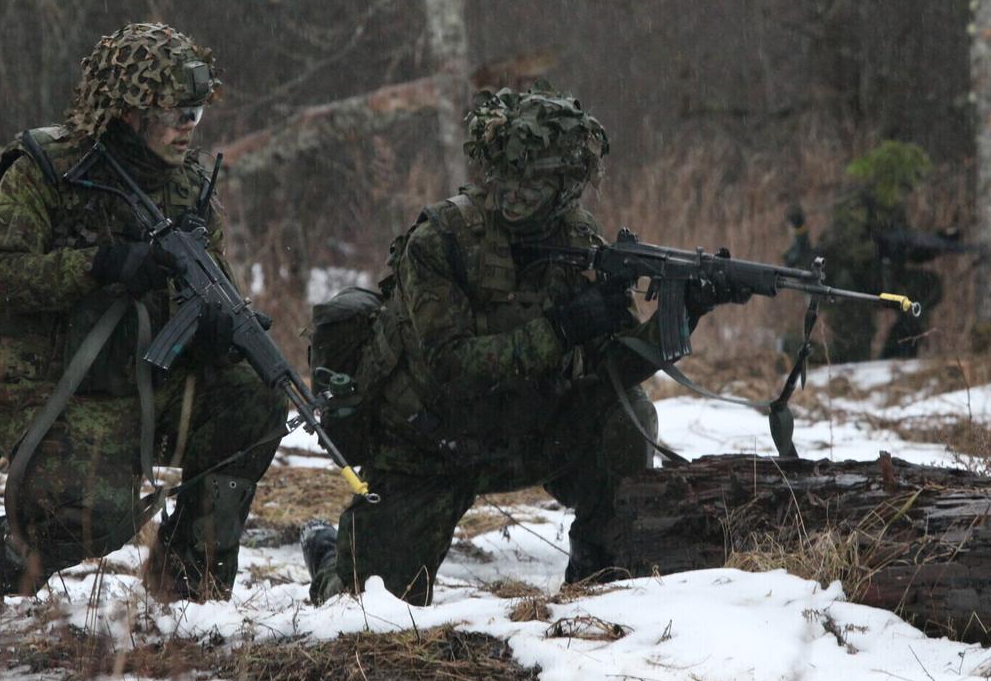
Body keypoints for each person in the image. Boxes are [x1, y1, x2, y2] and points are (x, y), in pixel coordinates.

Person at [302, 85, 747, 606]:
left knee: (627, 417)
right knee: (367, 605)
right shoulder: (441, 241)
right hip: (431, 449)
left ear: (566, 187)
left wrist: (685, 313)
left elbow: (609, 373)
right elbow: (452, 367)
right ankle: (329, 556)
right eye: (507, 177)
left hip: (528, 435)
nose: (513, 194)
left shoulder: (581, 241)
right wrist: (561, 327)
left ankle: (599, 574)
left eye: (533, 184)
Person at [0, 22, 287, 603]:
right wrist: (99, 265)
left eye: (196, 113)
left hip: (148, 383)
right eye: (174, 112)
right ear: (127, 112)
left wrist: (217, 331)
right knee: (95, 515)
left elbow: (215, 289)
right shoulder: (46, 169)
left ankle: (190, 587)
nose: (189, 126)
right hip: (59, 390)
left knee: (253, 398)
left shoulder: (189, 190)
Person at [786, 140, 956, 362]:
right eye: (901, 185)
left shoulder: (893, 209)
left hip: (877, 281)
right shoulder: (857, 204)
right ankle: (788, 348)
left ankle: (897, 355)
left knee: (927, 286)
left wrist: (938, 243)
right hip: (844, 285)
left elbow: (906, 247)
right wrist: (882, 249)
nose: (904, 192)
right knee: (849, 357)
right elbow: (844, 248)